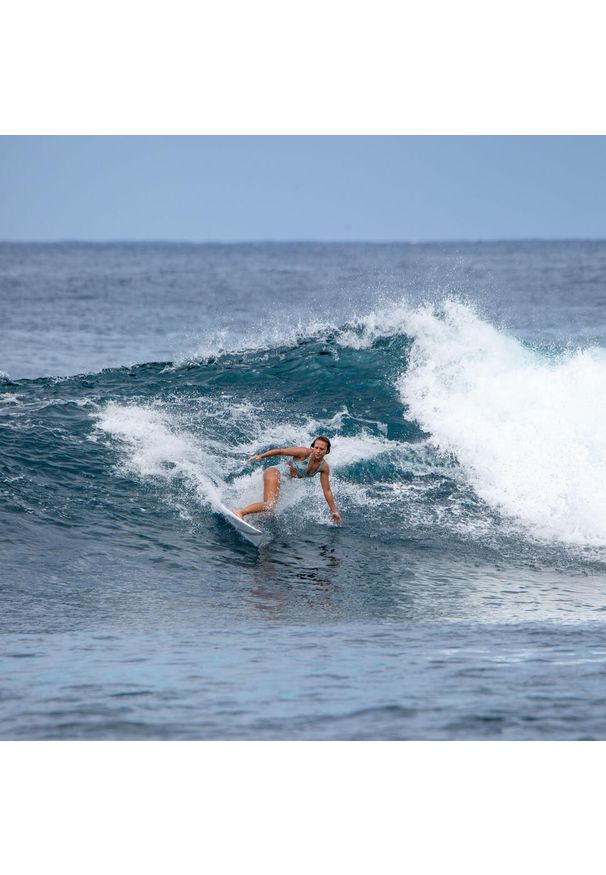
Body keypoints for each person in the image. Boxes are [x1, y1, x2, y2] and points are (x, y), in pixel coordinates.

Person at [232, 436, 342, 524]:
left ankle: (247, 517)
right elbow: (281, 451)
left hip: (282, 481)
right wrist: (260, 456)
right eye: (316, 447)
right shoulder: (304, 452)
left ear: (327, 451)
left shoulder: (323, 467)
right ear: (312, 447)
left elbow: (327, 490)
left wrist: (334, 511)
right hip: (275, 472)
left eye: (321, 449)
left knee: (270, 513)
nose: (318, 451)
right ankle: (240, 512)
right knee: (270, 504)